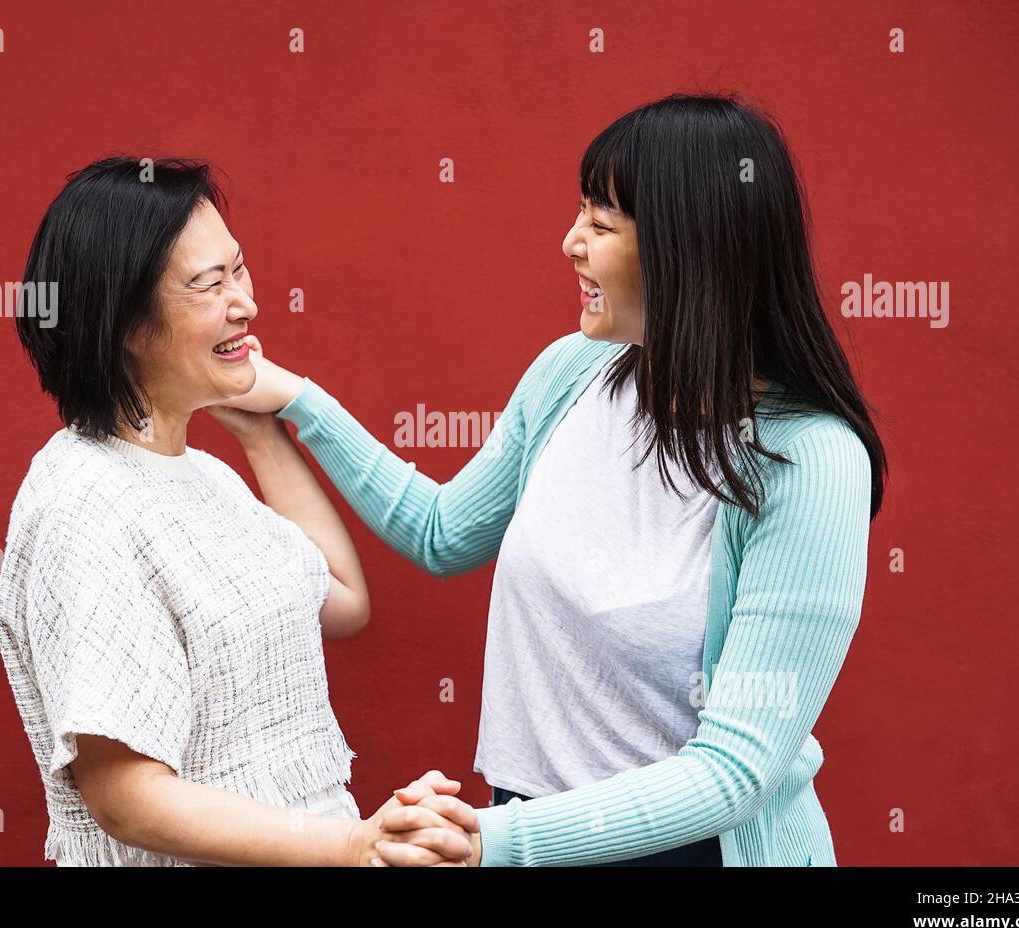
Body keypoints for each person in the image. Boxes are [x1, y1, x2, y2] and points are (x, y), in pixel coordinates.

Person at [214, 92, 889, 866]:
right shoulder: (574, 373)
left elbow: (736, 773)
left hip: (691, 850)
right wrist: (292, 403)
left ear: (690, 249)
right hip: (525, 831)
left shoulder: (810, 461)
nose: (570, 243)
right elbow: (442, 534)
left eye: (601, 225)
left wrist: (492, 844)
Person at [0, 156, 477, 866]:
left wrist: (259, 425)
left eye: (239, 270)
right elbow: (125, 798)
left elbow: (341, 601)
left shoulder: (205, 475)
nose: (245, 302)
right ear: (123, 319)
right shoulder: (83, 502)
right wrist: (350, 844)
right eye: (208, 284)